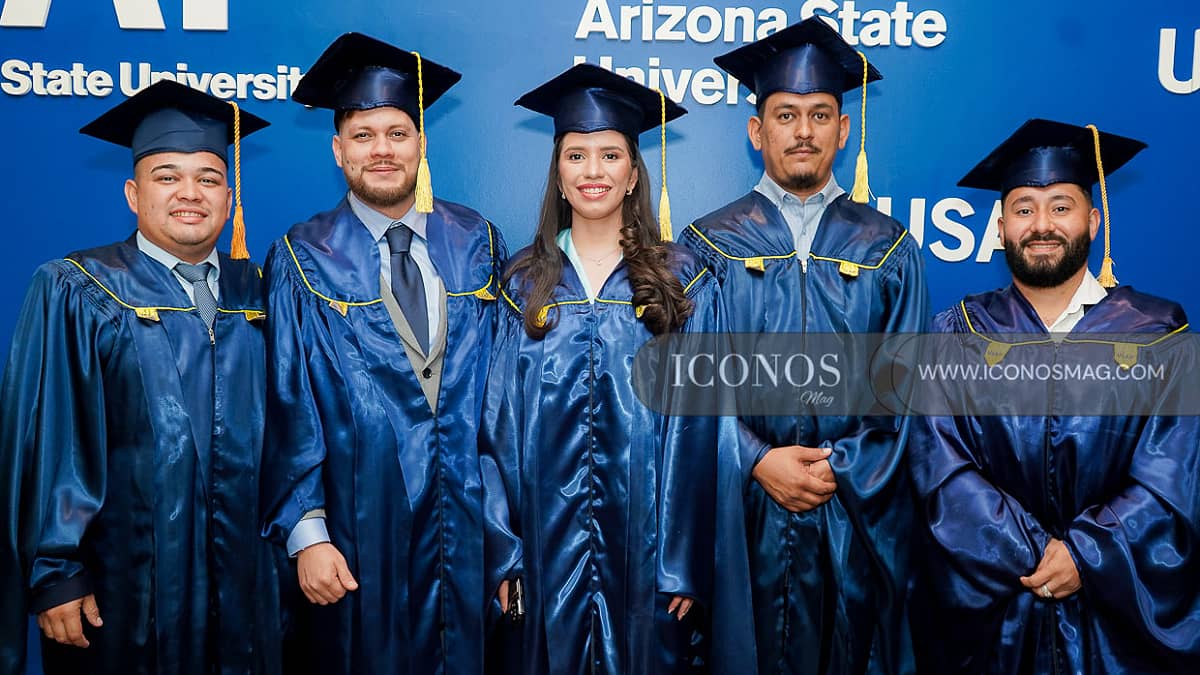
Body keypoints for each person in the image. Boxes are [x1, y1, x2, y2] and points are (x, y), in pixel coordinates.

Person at [0, 80, 284, 675]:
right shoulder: (78, 288)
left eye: (208, 178)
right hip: (121, 590)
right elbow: (50, 437)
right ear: (134, 193)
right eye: (167, 176)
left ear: (229, 197)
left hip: (247, 588)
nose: (190, 193)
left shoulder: (260, 294)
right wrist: (56, 573)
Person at [479, 63, 752, 675]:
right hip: (544, 554)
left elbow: (704, 427)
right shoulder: (520, 286)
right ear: (558, 171)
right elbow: (493, 429)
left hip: (651, 555)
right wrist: (504, 550)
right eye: (576, 155)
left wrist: (682, 559)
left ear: (633, 173)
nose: (593, 171)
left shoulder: (687, 282)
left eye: (610, 155)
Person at [680, 17, 928, 675]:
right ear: (756, 130)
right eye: (785, 114)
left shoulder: (888, 249)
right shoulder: (707, 245)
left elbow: (902, 398)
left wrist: (834, 469)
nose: (804, 130)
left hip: (851, 519)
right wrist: (756, 459)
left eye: (821, 114)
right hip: (743, 518)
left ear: (843, 131)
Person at [908, 119, 1200, 674]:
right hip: (995, 613)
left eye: (1061, 206)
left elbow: (1174, 475)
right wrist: (1033, 554)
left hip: (1118, 620)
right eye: (1023, 209)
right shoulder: (955, 333)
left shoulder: (1160, 334)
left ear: (1093, 221)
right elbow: (938, 465)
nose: (1041, 225)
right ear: (1000, 227)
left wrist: (1086, 554)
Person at [259, 32, 506, 675]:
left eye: (397, 133)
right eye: (364, 135)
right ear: (338, 151)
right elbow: (289, 401)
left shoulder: (477, 240)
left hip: (470, 519)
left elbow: (506, 395)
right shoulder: (302, 255)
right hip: (358, 523)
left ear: (422, 145)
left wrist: (510, 533)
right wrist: (306, 533)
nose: (382, 150)